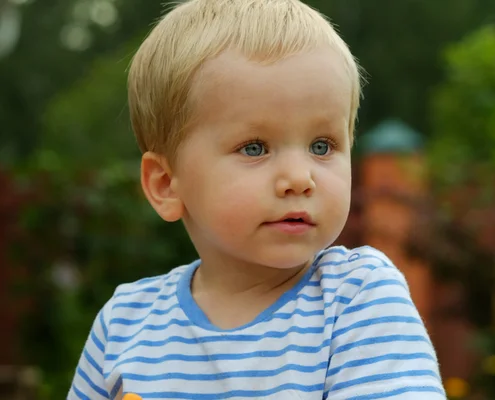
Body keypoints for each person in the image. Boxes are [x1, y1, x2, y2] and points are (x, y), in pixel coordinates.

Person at [69, 0, 446, 398]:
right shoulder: (124, 325)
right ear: (166, 184)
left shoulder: (357, 299)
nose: (300, 178)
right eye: (254, 148)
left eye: (322, 145)